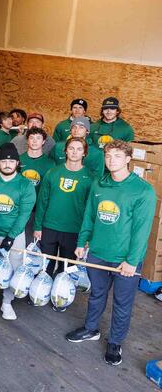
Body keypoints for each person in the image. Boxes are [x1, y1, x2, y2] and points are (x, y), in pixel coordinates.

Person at [66, 140, 155, 366]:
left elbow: (142, 230)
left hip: (125, 260)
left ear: (127, 159)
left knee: (122, 302)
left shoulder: (143, 190)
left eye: (117, 156)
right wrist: (82, 241)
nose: (111, 160)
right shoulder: (99, 184)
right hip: (97, 252)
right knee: (96, 294)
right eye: (108, 156)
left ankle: (115, 342)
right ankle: (91, 328)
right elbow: (89, 216)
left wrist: (132, 261)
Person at [0, 143, 36, 321]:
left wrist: (11, 236)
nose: (7, 164)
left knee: (14, 270)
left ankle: (7, 303)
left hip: (14, 235)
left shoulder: (25, 184)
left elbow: (24, 214)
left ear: (17, 163)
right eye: (4, 161)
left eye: (11, 161)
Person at [33, 138, 93, 298]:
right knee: (45, 264)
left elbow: (90, 210)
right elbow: (42, 201)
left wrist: (87, 236)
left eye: (79, 149)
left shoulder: (90, 177)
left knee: (67, 267)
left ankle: (61, 297)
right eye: (71, 148)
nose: (74, 152)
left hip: (74, 230)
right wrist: (38, 226)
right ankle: (41, 294)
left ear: (84, 153)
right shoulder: (53, 173)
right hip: (49, 226)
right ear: (65, 151)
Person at [19, 128, 55, 192]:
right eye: (32, 138)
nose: (34, 141)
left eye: (38, 138)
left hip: (40, 200)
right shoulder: (18, 160)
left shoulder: (51, 163)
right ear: (27, 141)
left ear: (43, 141)